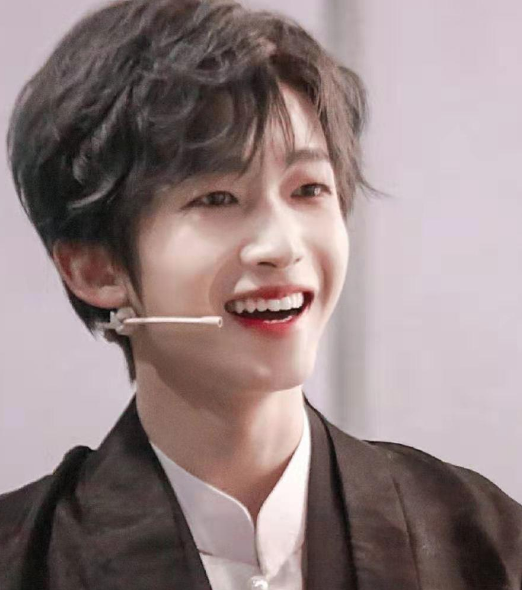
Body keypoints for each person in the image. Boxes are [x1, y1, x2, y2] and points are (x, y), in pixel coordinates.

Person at [1, 0, 521, 588]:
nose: (281, 246)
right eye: (216, 198)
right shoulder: (22, 560)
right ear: (96, 269)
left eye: (308, 190)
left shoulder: (486, 541)